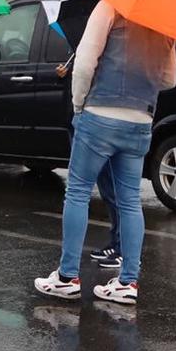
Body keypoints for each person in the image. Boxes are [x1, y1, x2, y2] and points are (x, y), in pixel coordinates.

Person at [35, 0, 176, 306]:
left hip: (99, 113)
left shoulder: (110, 7)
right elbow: (169, 79)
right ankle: (127, 281)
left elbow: (84, 63)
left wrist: (78, 104)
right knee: (128, 201)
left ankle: (67, 276)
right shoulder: (163, 19)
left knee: (77, 192)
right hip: (140, 119)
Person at [58, 53, 121, 271]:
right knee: (114, 190)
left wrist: (78, 108)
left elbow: (86, 73)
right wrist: (65, 75)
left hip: (91, 121)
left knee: (84, 190)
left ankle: (68, 273)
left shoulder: (99, 40)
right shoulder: (79, 46)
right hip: (89, 119)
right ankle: (122, 251)